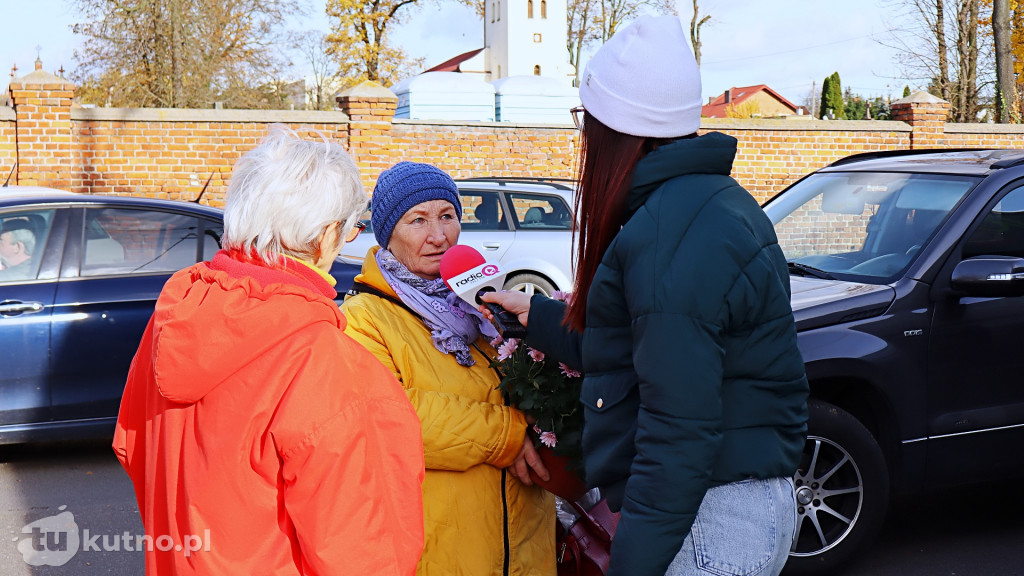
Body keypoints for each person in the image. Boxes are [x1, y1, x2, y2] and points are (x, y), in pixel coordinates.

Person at [482, 15, 809, 576]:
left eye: (587, 121)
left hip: (708, 517)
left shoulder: (669, 235)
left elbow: (678, 435)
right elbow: (637, 353)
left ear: (618, 130)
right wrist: (536, 314)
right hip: (735, 504)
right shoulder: (711, 202)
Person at [113, 127, 425, 576]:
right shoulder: (326, 362)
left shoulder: (176, 318)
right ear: (326, 235)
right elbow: (366, 554)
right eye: (352, 229)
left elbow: (132, 446)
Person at [341, 161, 556, 576]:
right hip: (443, 550)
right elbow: (394, 417)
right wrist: (507, 434)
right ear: (387, 234)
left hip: (526, 545)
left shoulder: (483, 304)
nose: (439, 236)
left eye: (447, 216)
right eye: (417, 220)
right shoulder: (364, 318)